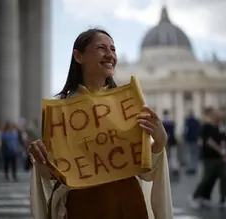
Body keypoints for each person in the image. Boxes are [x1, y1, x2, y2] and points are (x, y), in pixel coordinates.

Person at [29, 28, 173, 219]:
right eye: (101, 48)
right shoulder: (59, 111)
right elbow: (53, 175)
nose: (111, 55)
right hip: (84, 205)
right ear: (78, 57)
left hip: (129, 203)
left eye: (113, 49)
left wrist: (159, 142)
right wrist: (39, 157)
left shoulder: (128, 104)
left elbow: (145, 172)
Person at [189, 108, 226, 209]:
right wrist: (221, 150)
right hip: (209, 157)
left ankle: (219, 199)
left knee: (220, 178)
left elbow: (222, 139)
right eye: (218, 117)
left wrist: (223, 151)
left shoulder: (218, 127)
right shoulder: (206, 126)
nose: (220, 119)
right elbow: (209, 141)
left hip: (218, 157)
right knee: (207, 178)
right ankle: (196, 197)